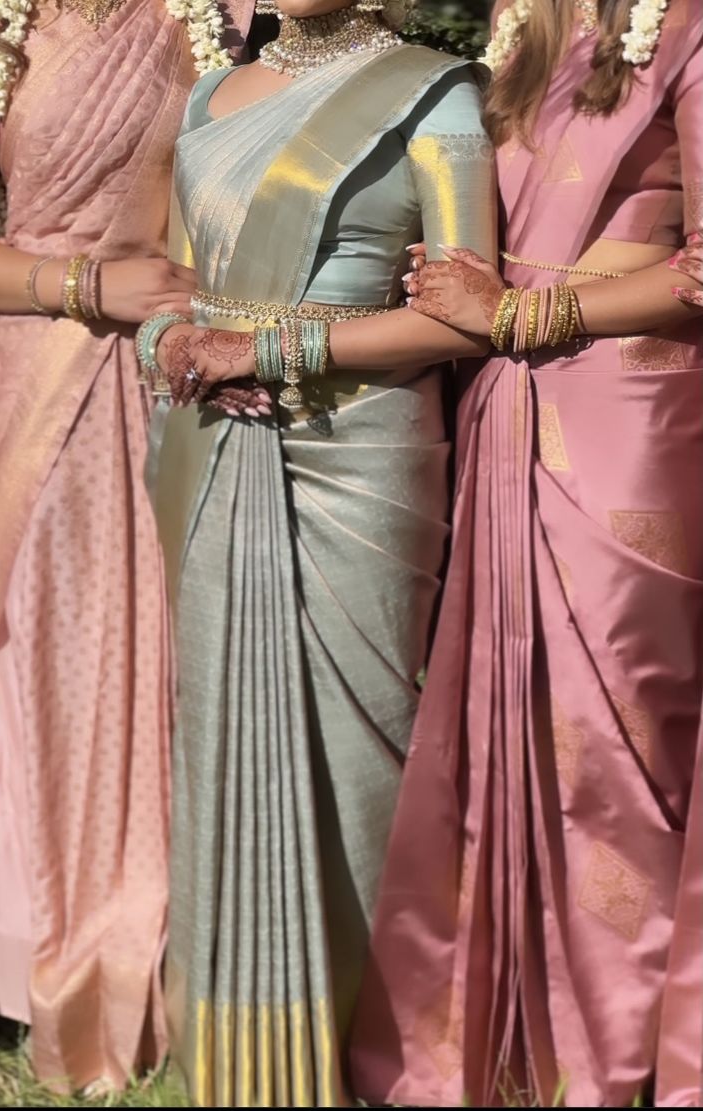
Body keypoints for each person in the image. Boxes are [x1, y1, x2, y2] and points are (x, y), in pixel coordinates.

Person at [142, 0, 497, 1100]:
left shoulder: (434, 93)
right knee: (216, 730)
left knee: (362, 744)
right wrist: (173, 340)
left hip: (360, 452)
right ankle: (234, 1055)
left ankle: (370, 1047)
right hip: (208, 445)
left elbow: (464, 315)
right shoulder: (210, 95)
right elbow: (170, 282)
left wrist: (275, 343)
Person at [350, 0, 703, 1106]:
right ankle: (516, 1040)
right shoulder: (523, 17)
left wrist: (516, 315)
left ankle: (621, 1048)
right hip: (505, 409)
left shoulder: (687, 24)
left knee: (617, 735)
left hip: (628, 426)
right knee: (509, 722)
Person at [0, 0, 262, 1091]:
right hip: (35, 367)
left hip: (168, 371)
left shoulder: (206, 15)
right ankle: (27, 943)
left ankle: (173, 937)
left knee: (165, 654)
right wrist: (86, 287)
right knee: (47, 648)